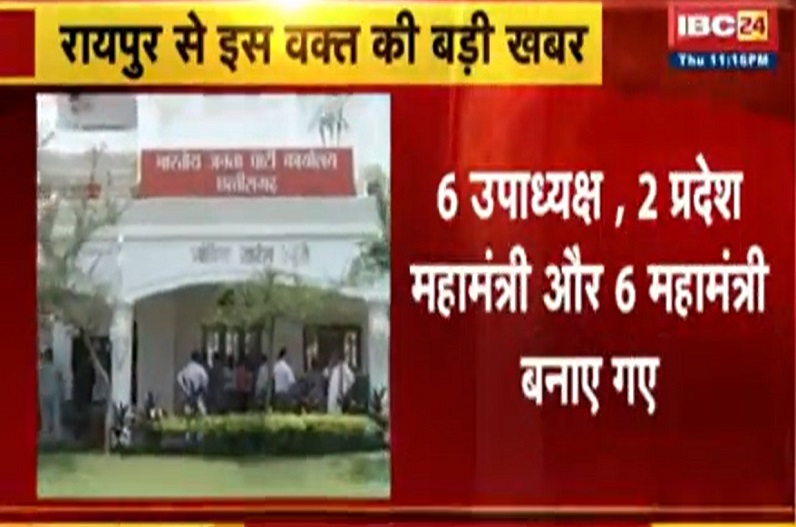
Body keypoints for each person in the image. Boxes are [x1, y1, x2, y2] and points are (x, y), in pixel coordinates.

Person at [38, 347, 63, 442]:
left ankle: (45, 433)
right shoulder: (55, 367)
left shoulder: (41, 368)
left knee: (45, 415)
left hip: (43, 393)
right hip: (54, 393)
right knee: (56, 413)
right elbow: (60, 379)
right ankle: (57, 434)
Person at [176, 350, 209, 416]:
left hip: (188, 393)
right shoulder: (200, 369)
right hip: (197, 392)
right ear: (198, 358)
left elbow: (179, 377)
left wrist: (184, 387)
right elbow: (205, 380)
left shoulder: (187, 368)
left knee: (187, 409)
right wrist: (203, 389)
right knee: (201, 410)